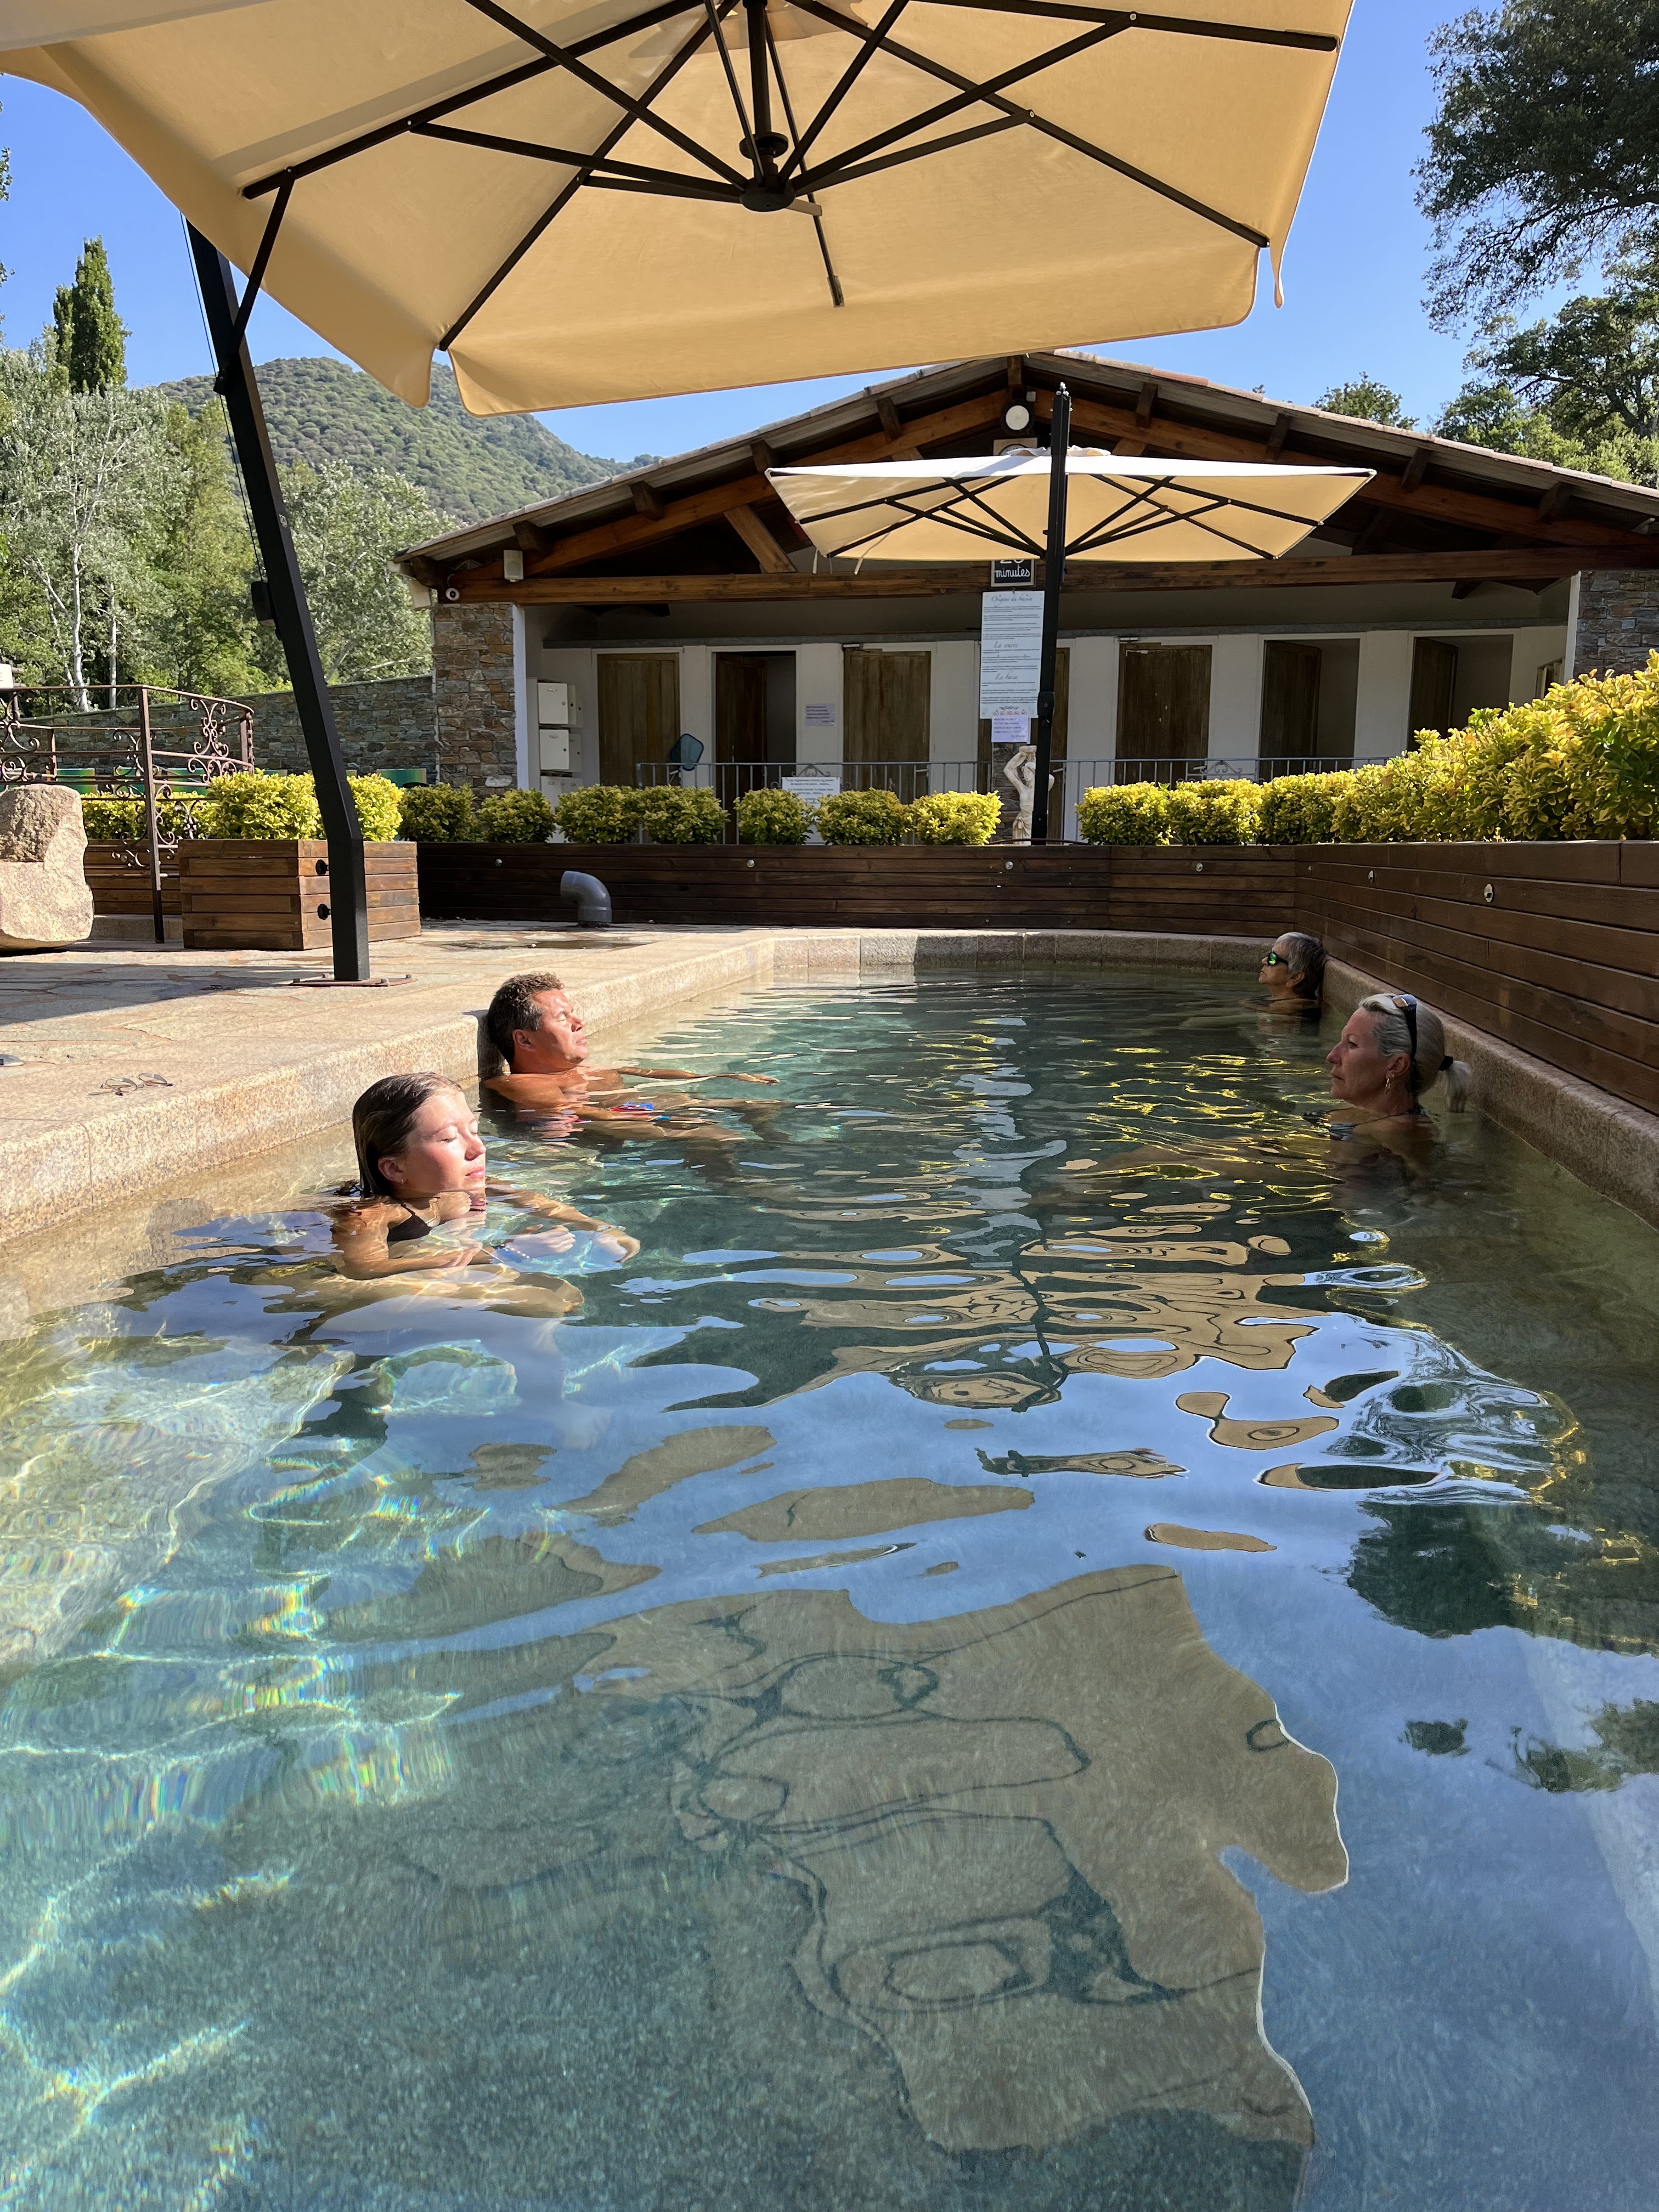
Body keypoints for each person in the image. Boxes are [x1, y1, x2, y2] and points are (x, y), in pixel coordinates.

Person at [331, 1070, 639, 1285]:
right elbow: (365, 1268)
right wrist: (506, 1252)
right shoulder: (369, 1217)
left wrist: (600, 1228)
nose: (478, 1148)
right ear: (395, 1169)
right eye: (449, 1138)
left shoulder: (462, 1187)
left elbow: (533, 1201)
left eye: (474, 1130)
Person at [482, 970, 777, 1137]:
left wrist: (723, 1076)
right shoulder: (521, 1083)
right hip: (597, 1129)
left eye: (573, 1014)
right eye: (562, 1018)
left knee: (757, 1104)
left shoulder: (580, 1070)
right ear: (525, 1039)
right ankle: (745, 1187)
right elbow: (572, 1111)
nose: (579, 1023)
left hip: (629, 1112)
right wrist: (662, 1120)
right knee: (713, 1134)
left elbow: (646, 1073)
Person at [1325, 992, 1470, 1139]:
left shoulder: (1389, 1132)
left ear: (1396, 1066)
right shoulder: (1365, 1117)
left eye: (1352, 1044)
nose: (1331, 1057)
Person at [1259, 932, 1326, 1011]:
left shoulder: (1284, 1012)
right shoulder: (1276, 1005)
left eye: (1273, 958)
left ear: (1295, 977)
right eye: (1270, 955)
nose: (1264, 961)